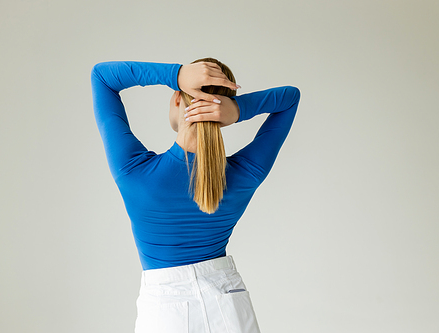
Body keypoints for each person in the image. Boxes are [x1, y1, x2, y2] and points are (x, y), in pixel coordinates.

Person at [91, 58, 300, 333]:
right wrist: (239, 110)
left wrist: (176, 74)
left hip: (166, 312)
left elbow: (102, 77)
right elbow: (289, 98)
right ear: (223, 116)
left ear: (178, 98)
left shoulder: (134, 173)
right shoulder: (244, 175)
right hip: (229, 301)